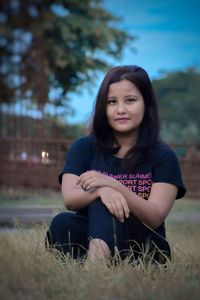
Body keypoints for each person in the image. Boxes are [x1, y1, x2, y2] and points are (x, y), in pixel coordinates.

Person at [46, 65, 186, 265]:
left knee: (106, 203)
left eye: (130, 100)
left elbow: (155, 217)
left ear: (146, 104)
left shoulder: (163, 156)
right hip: (93, 233)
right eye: (112, 102)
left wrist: (114, 186)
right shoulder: (84, 147)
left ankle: (94, 270)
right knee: (63, 223)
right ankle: (98, 260)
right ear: (103, 107)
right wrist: (101, 190)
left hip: (143, 247)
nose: (120, 110)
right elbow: (70, 199)